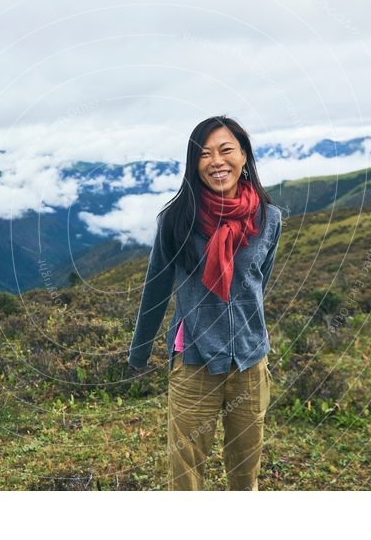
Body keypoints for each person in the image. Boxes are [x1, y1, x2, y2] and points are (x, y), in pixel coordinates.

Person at [127, 115, 282, 491]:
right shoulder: (177, 219)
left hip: (249, 359)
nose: (217, 161)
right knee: (186, 476)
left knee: (245, 475)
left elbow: (260, 281)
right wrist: (139, 351)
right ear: (193, 164)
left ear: (243, 155)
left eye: (226, 150)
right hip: (194, 357)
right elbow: (157, 287)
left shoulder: (269, 219)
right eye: (205, 154)